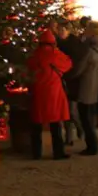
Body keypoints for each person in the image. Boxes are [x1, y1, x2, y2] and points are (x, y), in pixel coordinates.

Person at [27, 30, 72, 160]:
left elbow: (27, 70)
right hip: (54, 93)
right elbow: (68, 64)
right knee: (55, 124)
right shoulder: (55, 54)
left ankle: (36, 153)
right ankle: (58, 152)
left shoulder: (34, 56)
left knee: (36, 124)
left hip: (38, 92)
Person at [68, 23, 98, 155]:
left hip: (86, 86)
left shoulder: (89, 50)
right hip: (94, 85)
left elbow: (80, 68)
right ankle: (93, 145)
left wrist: (69, 75)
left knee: (85, 118)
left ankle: (92, 146)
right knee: (88, 116)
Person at [55, 20, 85, 146]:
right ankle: (69, 137)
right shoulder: (57, 44)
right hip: (61, 80)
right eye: (59, 30)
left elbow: (78, 64)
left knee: (71, 110)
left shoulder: (75, 44)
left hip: (73, 81)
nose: (61, 33)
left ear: (68, 31)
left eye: (63, 30)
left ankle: (80, 129)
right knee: (65, 110)